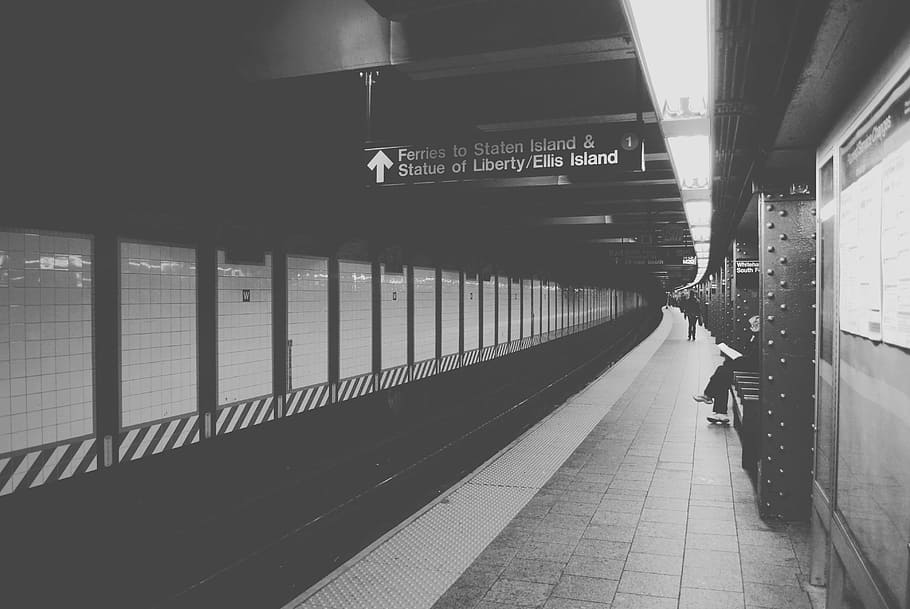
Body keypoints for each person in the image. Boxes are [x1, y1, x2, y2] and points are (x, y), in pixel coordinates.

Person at [693, 315, 760, 423]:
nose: (751, 327)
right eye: (752, 325)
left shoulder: (760, 338)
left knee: (723, 371)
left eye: (754, 324)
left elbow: (753, 359)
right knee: (723, 372)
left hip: (754, 369)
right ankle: (719, 412)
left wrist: (737, 358)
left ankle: (710, 398)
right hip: (749, 365)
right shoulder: (755, 336)